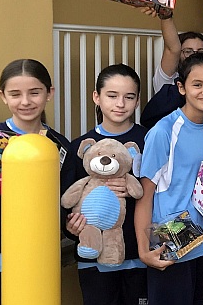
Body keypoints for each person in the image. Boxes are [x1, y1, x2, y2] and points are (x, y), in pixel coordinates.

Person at [134, 53, 203, 305]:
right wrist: (144, 250)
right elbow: (145, 195)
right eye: (197, 84)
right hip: (171, 242)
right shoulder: (163, 131)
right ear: (182, 88)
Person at [0, 59, 70, 305]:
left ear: (49, 93)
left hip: (39, 259)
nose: (25, 101)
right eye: (15, 94)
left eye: (35, 92)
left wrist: (72, 223)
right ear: (3, 96)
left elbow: (64, 200)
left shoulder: (60, 145)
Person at [61, 64, 148, 305]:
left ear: (138, 101)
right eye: (112, 95)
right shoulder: (80, 147)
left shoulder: (148, 139)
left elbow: (159, 190)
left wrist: (136, 193)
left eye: (128, 97)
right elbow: (67, 200)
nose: (120, 104)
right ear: (96, 97)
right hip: (94, 256)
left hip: (139, 254)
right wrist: (71, 225)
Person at [138, 6, 203, 94]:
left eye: (200, 51)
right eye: (188, 51)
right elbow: (172, 49)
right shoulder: (169, 78)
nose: (194, 55)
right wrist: (165, 13)